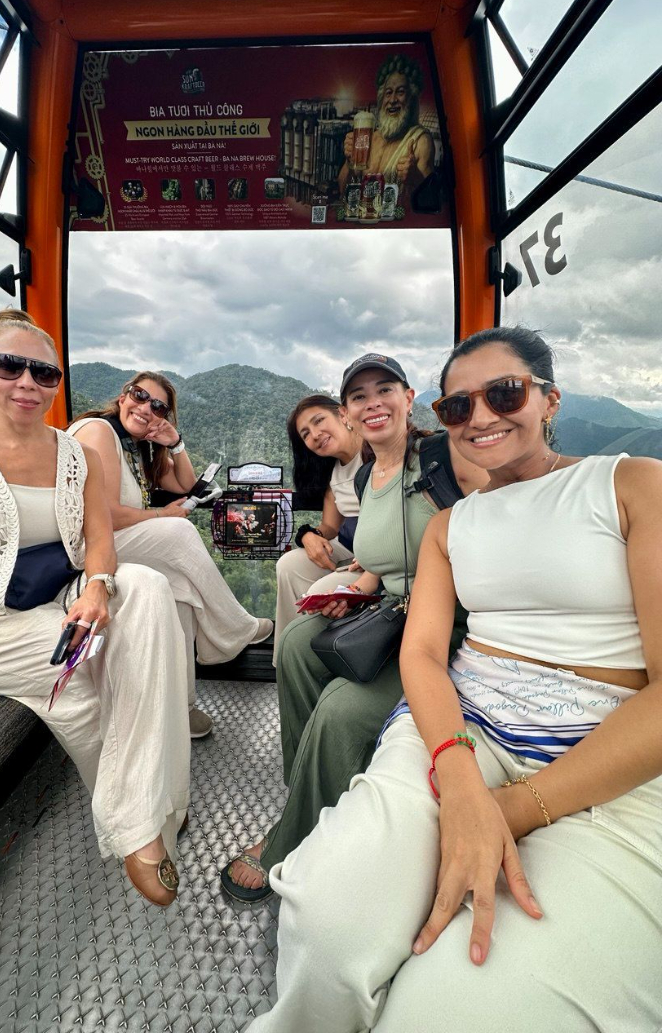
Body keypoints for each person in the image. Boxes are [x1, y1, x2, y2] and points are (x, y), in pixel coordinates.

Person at [247, 327, 662, 1032]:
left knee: (460, 1006)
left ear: (550, 399)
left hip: (610, 743)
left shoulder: (628, 485)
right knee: (324, 922)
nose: (481, 416)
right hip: (464, 724)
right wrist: (459, 775)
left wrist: (511, 809)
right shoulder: (453, 527)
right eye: (459, 407)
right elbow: (422, 654)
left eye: (505, 393)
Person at [0, 309, 191, 909]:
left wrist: (98, 588)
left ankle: (155, 802)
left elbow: (99, 539)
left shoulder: (78, 457)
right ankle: (142, 824)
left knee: (149, 591)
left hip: (59, 598)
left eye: (43, 372)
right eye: (8, 365)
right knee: (84, 679)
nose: (27, 381)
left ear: (56, 383)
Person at [221, 353, 486, 902]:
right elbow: (382, 561)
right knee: (296, 643)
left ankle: (295, 839)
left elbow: (512, 497)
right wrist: (352, 590)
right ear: (349, 412)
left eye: (385, 389)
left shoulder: (444, 457)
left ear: (409, 398)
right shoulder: (368, 475)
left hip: (449, 625)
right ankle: (307, 788)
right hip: (393, 611)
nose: (373, 403)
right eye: (359, 396)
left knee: (339, 708)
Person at [68, 372, 272, 739]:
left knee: (179, 592)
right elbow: (104, 515)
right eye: (139, 395)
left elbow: (186, 485)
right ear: (122, 397)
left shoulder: (136, 448)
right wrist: (163, 514)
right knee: (179, 531)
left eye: (158, 406)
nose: (146, 407)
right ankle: (236, 627)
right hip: (88, 547)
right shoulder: (99, 431)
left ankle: (183, 707)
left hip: (118, 540)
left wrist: (175, 443)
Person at [273, 395, 364, 664]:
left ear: (342, 415)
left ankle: (317, 661)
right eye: (305, 434)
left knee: (319, 592)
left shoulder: (374, 451)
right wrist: (308, 535)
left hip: (377, 555)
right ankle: (286, 662)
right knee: (289, 564)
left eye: (319, 421)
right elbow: (330, 526)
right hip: (350, 547)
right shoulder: (334, 470)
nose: (315, 434)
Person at [339, 53, 434, 195]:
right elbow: (343, 190)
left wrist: (416, 177)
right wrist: (349, 163)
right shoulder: (371, 139)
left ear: (411, 98)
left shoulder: (421, 141)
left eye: (400, 92)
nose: (393, 100)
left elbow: (432, 198)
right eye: (388, 93)